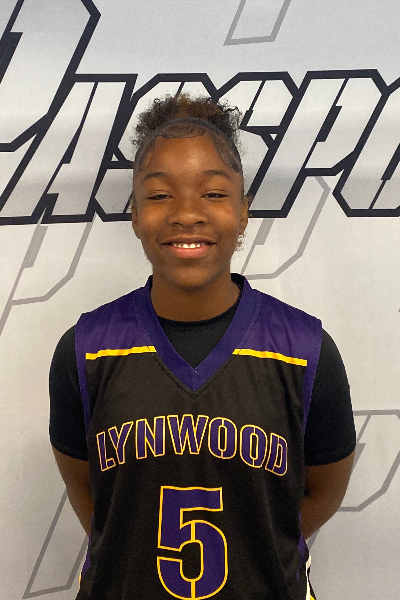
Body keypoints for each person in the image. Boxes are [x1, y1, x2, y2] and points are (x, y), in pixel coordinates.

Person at [49, 94, 356, 600]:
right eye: (159, 195)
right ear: (134, 214)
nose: (187, 214)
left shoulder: (305, 351)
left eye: (213, 193)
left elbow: (322, 492)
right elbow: (90, 494)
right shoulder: (85, 351)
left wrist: (253, 549)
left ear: (243, 212)